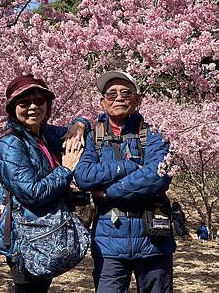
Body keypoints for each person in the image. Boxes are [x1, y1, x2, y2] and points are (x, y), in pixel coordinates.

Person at [75, 71, 175, 293]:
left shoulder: (154, 134)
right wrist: (128, 167)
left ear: (137, 100)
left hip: (153, 239)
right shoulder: (94, 136)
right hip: (108, 241)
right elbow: (83, 175)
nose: (118, 98)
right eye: (111, 94)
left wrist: (110, 192)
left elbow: (157, 177)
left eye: (126, 93)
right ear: (102, 102)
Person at [0, 74, 90, 293]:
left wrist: (81, 124)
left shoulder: (46, 134)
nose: (33, 107)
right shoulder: (10, 144)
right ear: (12, 109)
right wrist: (66, 170)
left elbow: (84, 129)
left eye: (39, 101)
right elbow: (32, 193)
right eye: (24, 103)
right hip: (26, 237)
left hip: (47, 233)